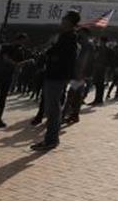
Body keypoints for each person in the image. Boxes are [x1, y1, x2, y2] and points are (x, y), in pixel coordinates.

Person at [31, 10, 81, 151]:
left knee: (53, 109)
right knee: (53, 108)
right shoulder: (67, 37)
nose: (62, 21)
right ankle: (51, 139)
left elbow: (59, 56)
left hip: (57, 76)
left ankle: (51, 140)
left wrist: (51, 51)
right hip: (56, 75)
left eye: (64, 19)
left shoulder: (69, 38)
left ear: (70, 22)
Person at [0, 33, 27, 130]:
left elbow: (19, 65)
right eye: (21, 41)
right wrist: (16, 64)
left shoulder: (21, 51)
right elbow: (5, 58)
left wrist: (22, 64)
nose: (22, 43)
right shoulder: (7, 46)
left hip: (8, 76)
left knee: (2, 99)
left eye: (23, 41)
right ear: (17, 39)